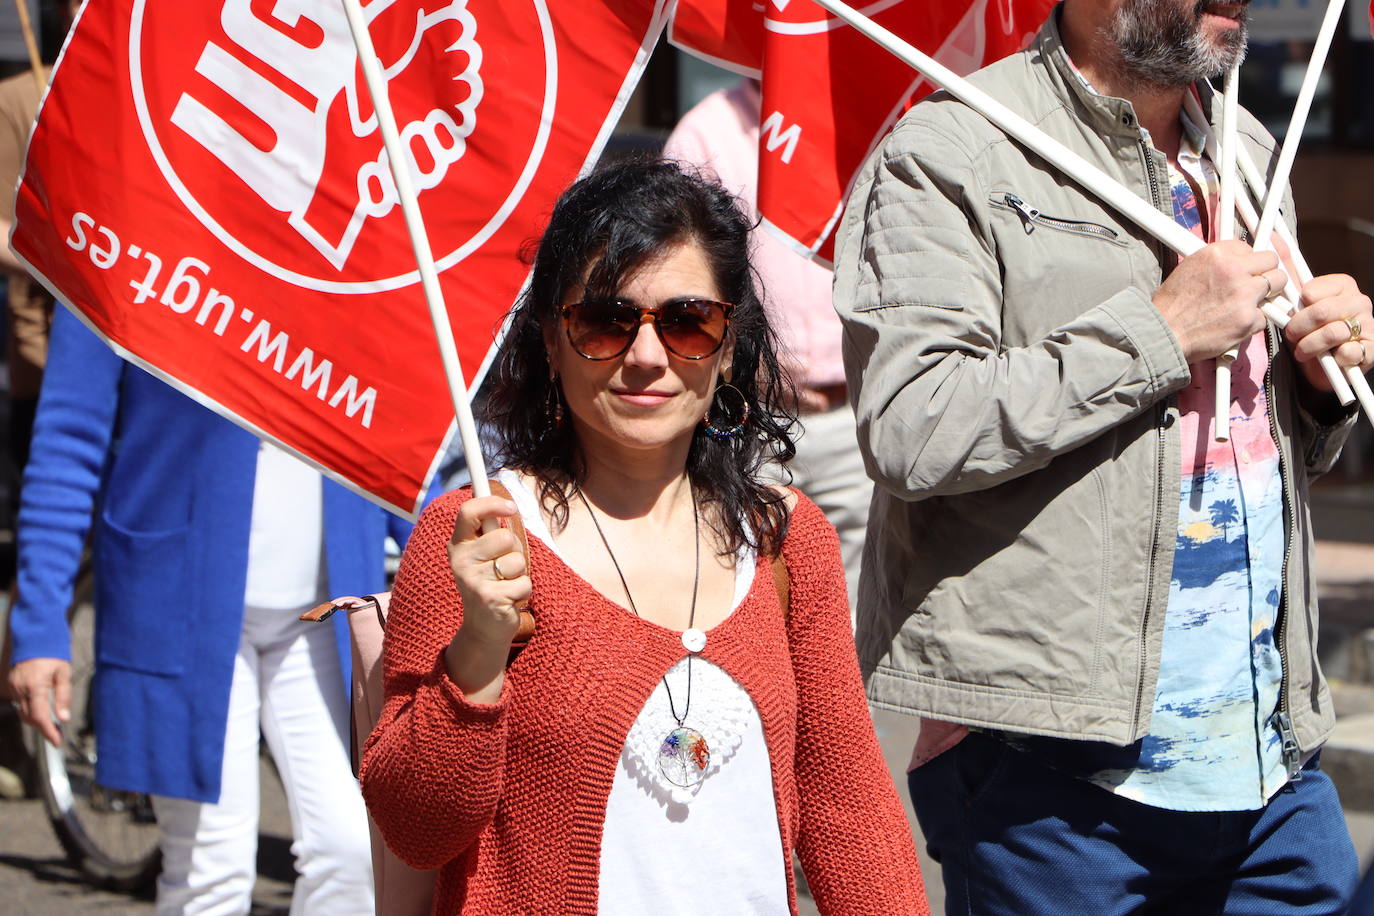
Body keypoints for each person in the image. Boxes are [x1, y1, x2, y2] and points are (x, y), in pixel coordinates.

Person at [833, 1, 1372, 913]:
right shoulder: (954, 149)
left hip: (1272, 758)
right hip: (1051, 774)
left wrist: (1319, 386)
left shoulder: (1242, 147)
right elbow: (912, 425)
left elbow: (1257, 454)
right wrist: (1159, 331)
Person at [358, 159, 928, 914]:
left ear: (729, 345)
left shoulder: (785, 539)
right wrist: (477, 654)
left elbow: (850, 815)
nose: (648, 357)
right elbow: (415, 831)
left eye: (689, 322)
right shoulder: (475, 538)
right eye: (605, 320)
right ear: (550, 341)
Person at [7, 305, 412, 914]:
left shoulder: (356, 245)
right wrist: (39, 625)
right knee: (209, 869)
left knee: (355, 853)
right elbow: (69, 436)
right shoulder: (134, 225)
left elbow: (402, 441)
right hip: (174, 608)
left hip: (322, 612)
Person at [663, 78, 872, 617]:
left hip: (862, 417)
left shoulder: (880, 109)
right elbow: (677, 282)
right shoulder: (708, 129)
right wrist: (749, 365)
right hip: (749, 420)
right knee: (748, 601)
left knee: (854, 623)